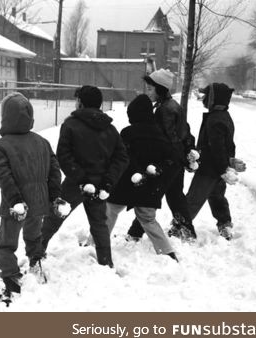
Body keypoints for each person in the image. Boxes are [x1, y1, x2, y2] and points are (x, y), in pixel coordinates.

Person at [41, 85, 129, 268]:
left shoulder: (70, 125)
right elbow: (121, 158)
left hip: (75, 183)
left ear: (80, 103)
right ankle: (106, 262)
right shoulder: (110, 129)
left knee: (54, 216)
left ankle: (37, 251)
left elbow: (64, 156)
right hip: (99, 185)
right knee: (99, 224)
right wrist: (107, 181)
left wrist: (81, 178)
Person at [0, 92, 64, 302]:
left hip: (16, 206)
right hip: (39, 203)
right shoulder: (42, 141)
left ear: (5, 116)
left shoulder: (2, 145)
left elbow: (4, 177)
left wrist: (15, 200)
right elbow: (55, 171)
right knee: (34, 236)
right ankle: (36, 261)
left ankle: (11, 278)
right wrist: (53, 196)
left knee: (6, 244)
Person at [97, 94, 179, 261]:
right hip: (150, 185)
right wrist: (157, 173)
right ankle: (168, 253)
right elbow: (171, 159)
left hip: (126, 183)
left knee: (110, 211)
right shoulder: (161, 134)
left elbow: (122, 157)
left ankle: (96, 244)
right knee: (148, 219)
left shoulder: (128, 133)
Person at [126, 69, 198, 242]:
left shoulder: (164, 110)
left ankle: (135, 233)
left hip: (169, 160)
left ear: (161, 89)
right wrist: (186, 152)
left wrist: (162, 159)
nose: (148, 92)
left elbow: (164, 138)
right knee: (174, 195)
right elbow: (185, 131)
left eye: (150, 89)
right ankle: (186, 230)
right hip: (176, 158)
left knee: (152, 194)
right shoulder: (172, 106)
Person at [185, 83, 245, 240]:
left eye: (207, 96)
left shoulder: (215, 119)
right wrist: (227, 164)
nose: (204, 99)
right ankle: (225, 225)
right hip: (218, 167)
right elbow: (228, 146)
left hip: (209, 169)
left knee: (193, 199)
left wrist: (223, 169)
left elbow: (217, 148)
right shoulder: (222, 116)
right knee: (217, 197)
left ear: (214, 99)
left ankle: (181, 226)